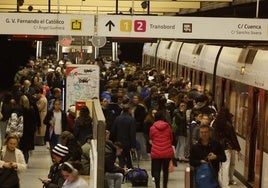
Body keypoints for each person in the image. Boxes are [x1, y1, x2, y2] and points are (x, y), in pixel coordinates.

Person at [212, 108, 241, 188]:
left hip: (217, 147)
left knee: (218, 166)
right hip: (226, 147)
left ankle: (219, 182)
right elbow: (233, 137)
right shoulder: (228, 124)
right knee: (226, 165)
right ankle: (225, 184)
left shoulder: (215, 123)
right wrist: (238, 148)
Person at [149, 111, 174, 188]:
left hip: (156, 151)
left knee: (157, 171)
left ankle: (157, 186)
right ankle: (165, 186)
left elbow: (151, 138)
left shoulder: (152, 128)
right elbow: (171, 138)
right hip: (167, 151)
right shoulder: (168, 127)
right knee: (165, 171)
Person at [111, 103, 136, 169]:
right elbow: (132, 133)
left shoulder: (117, 119)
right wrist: (133, 146)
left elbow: (113, 131)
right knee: (129, 159)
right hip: (128, 143)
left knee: (121, 159)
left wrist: (114, 141)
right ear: (129, 110)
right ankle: (130, 173)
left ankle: (122, 172)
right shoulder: (131, 119)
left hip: (118, 142)